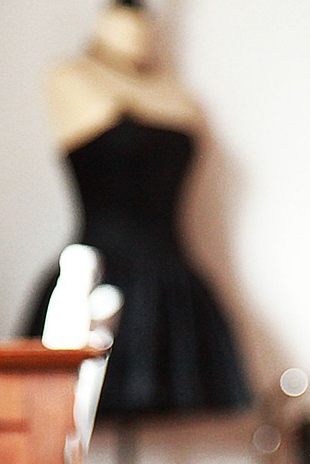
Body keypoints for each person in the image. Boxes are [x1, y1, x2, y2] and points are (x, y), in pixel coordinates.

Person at [22, 0, 251, 418]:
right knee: (68, 421)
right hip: (93, 286)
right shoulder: (71, 78)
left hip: (175, 289)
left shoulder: (179, 94)